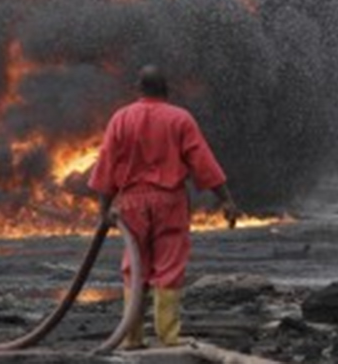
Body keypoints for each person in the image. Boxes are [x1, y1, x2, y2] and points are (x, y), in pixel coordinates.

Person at [88, 65, 239, 349]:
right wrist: (226, 200)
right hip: (170, 200)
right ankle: (168, 336)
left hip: (131, 202)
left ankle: (131, 337)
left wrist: (104, 208)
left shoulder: (121, 118)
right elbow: (202, 162)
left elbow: (106, 163)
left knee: (135, 266)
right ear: (166, 90)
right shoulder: (180, 119)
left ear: (138, 89)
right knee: (169, 265)